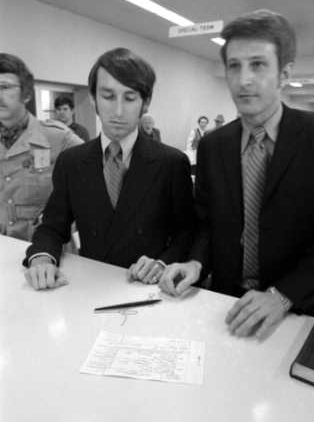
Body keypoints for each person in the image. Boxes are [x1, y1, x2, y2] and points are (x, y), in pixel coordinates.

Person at [160, 9, 314, 340]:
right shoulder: (213, 146)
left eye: (258, 64)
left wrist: (281, 296)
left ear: (285, 73)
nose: (244, 79)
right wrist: (195, 264)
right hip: (222, 305)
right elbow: (208, 225)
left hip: (296, 311)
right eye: (234, 66)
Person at [24, 47, 195, 290]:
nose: (118, 111)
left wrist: (163, 262)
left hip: (149, 291)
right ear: (93, 99)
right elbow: (53, 225)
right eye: (108, 96)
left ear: (145, 103)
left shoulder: (171, 163)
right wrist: (41, 256)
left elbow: (187, 231)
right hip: (89, 286)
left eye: (130, 97)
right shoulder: (71, 161)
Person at [0, 53, 82, 241]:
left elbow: (95, 187)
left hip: (46, 253)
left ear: (27, 94)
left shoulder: (59, 139)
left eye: (4, 87)